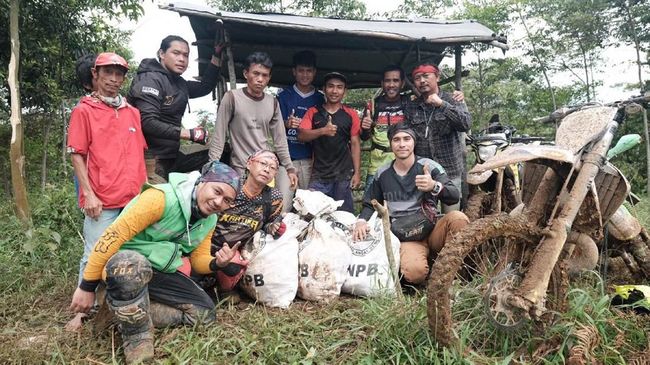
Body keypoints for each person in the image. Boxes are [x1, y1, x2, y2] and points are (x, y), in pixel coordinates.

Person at [69, 161, 242, 365]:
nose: (218, 201)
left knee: (204, 315)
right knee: (132, 264)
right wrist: (86, 286)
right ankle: (137, 340)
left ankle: (119, 313)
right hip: (124, 266)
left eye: (227, 200)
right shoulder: (160, 198)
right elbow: (111, 237)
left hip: (158, 271)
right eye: (217, 191)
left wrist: (217, 264)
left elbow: (198, 260)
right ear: (203, 181)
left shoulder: (209, 220)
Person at [65, 52, 148, 331]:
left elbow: (140, 155)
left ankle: (122, 302)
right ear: (95, 75)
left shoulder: (131, 112)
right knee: (94, 252)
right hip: (103, 199)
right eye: (107, 73)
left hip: (133, 199)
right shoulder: (84, 111)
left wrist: (146, 190)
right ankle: (81, 311)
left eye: (119, 74)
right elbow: (77, 154)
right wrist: (88, 194)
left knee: (131, 251)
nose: (113, 79)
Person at [352, 124, 469, 285]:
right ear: (390, 143)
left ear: (413, 142)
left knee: (458, 218)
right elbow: (369, 203)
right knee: (415, 274)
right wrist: (361, 221)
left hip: (433, 228)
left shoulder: (429, 166)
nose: (402, 144)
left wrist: (434, 186)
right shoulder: (382, 174)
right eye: (396, 140)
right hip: (407, 236)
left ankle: (456, 273)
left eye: (407, 139)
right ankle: (426, 263)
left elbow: (454, 196)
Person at [128, 35, 222, 182]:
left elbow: (205, 87)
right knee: (160, 201)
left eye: (186, 55)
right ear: (161, 54)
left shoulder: (179, 82)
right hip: (150, 159)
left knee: (218, 155)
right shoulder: (150, 79)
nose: (182, 59)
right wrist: (188, 134)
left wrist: (216, 55)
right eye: (176, 53)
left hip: (172, 156)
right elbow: (147, 122)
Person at [208, 51, 298, 192]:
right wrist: (212, 166)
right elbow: (219, 136)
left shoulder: (272, 103)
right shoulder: (232, 98)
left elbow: (280, 140)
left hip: (265, 172)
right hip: (239, 170)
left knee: (264, 211)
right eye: (256, 73)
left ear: (269, 78)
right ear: (246, 74)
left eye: (264, 75)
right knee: (238, 211)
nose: (260, 79)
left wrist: (290, 168)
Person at [204, 150, 285, 298]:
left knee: (233, 268)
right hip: (206, 243)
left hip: (235, 251)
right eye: (263, 163)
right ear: (249, 164)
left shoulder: (274, 197)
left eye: (272, 168)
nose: (267, 169)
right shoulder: (230, 186)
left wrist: (274, 227)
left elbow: (268, 223)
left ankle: (223, 287)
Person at [404, 62, 470, 212]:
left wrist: (442, 104)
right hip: (423, 173)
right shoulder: (412, 106)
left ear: (437, 77)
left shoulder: (453, 99)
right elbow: (407, 137)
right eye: (417, 78)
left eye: (426, 76)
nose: (422, 81)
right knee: (427, 218)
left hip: (450, 170)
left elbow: (465, 124)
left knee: (452, 217)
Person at [298, 72, 361, 213]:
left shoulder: (351, 114)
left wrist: (357, 173)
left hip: (344, 174)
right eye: (331, 86)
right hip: (319, 175)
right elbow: (301, 135)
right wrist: (322, 131)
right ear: (324, 89)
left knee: (344, 217)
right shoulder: (313, 112)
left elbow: (355, 144)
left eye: (339, 87)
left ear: (344, 91)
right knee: (313, 215)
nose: (334, 91)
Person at [276, 50, 324, 211]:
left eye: (309, 71)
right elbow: (271, 125)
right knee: (283, 208)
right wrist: (286, 123)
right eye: (301, 70)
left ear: (314, 72)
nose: (305, 75)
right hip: (286, 160)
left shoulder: (320, 98)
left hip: (310, 161)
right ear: (294, 72)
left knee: (309, 208)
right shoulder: (283, 96)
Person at [360, 65, 409, 192]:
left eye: (395, 80)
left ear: (402, 83)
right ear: (382, 83)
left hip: (405, 165)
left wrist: (457, 97)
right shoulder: (373, 105)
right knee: (371, 204)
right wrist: (365, 127)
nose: (391, 84)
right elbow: (364, 137)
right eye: (387, 80)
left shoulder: (410, 103)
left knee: (403, 205)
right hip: (377, 165)